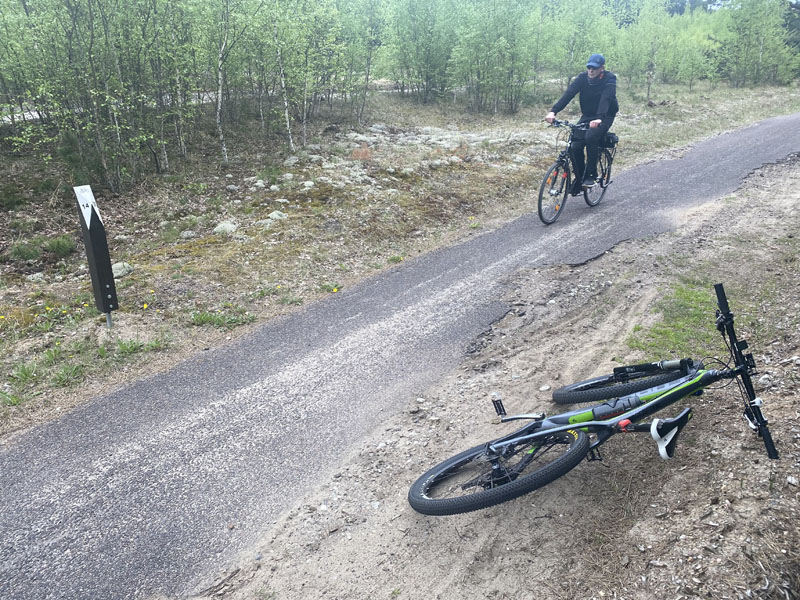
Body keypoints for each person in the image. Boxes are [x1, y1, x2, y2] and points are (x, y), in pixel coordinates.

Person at [545, 53, 618, 193]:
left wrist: (599, 118)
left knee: (591, 136)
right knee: (574, 145)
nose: (591, 70)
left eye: (594, 68)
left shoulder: (609, 78)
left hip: (605, 114)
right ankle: (580, 179)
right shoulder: (582, 78)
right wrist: (553, 111)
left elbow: (606, 98)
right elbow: (569, 93)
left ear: (602, 68)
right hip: (588, 115)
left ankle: (591, 175)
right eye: (589, 67)